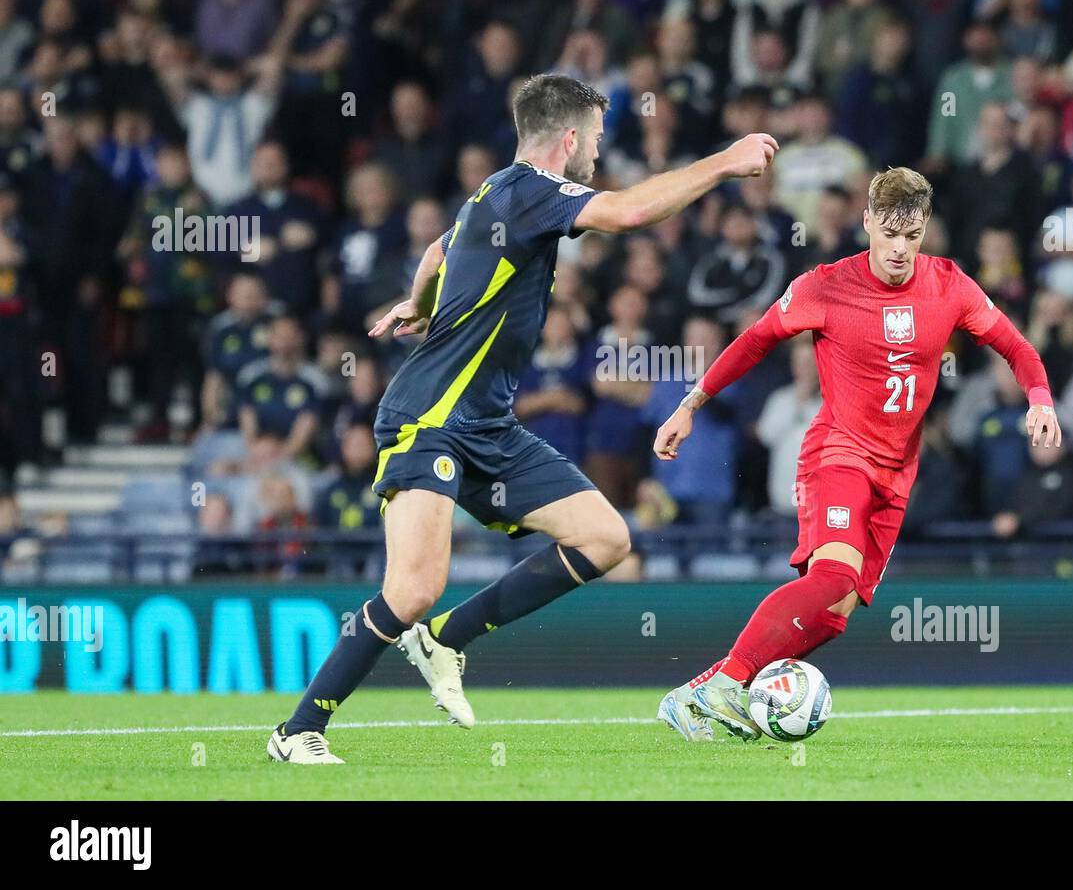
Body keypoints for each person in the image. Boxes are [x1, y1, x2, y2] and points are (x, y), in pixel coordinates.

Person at [267, 73, 778, 763]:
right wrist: (724, 160)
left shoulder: (494, 195)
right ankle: (298, 731)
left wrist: (418, 302)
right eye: (594, 139)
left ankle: (448, 639)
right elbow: (627, 214)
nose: (596, 153)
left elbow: (434, 253)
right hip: (431, 417)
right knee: (413, 587)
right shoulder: (530, 191)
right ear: (568, 138)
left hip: (487, 425)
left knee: (604, 537)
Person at [651, 167, 1061, 742]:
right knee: (833, 576)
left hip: (897, 473)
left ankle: (701, 691)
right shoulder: (824, 285)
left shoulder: (950, 286)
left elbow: (1016, 346)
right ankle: (728, 685)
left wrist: (1039, 400)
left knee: (834, 614)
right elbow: (755, 340)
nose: (899, 249)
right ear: (866, 222)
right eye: (889, 233)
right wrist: (690, 404)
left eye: (912, 236)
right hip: (837, 454)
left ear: (925, 231)